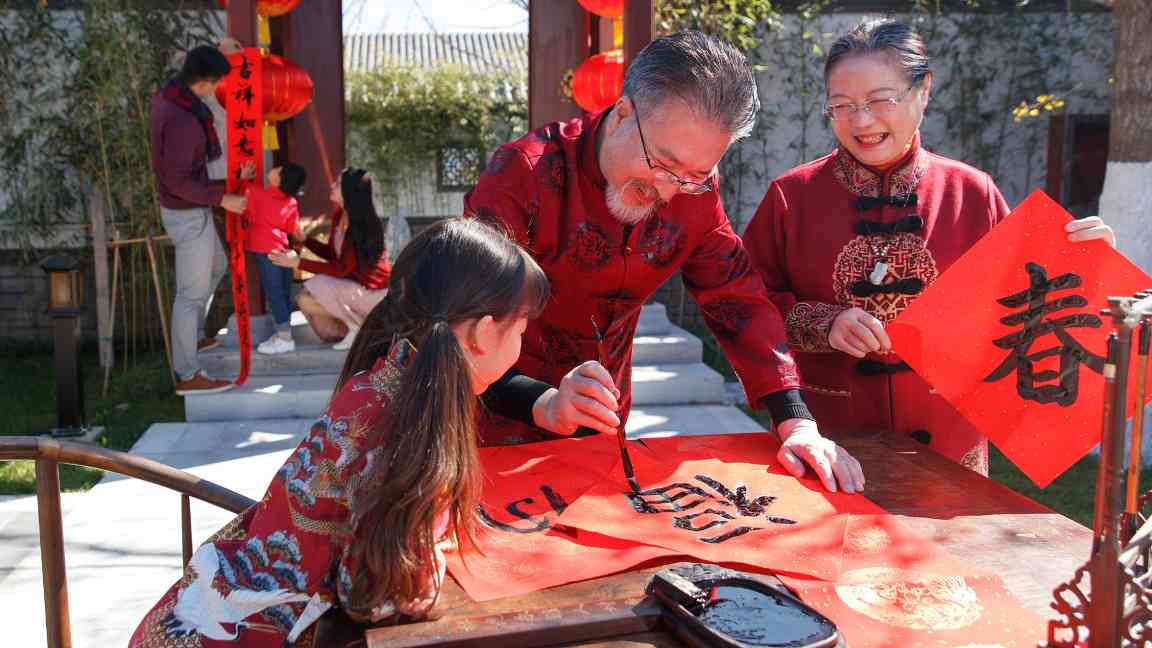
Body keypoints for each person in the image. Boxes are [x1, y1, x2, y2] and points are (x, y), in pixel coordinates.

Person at [467, 30, 864, 494]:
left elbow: (736, 298)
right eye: (661, 163)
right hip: (497, 405)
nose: (669, 189)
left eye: (696, 175)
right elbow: (463, 323)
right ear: (621, 116)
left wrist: (794, 420)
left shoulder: (694, 193)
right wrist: (543, 402)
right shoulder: (522, 174)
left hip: (602, 415)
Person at [128, 218, 550, 647]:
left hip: (188, 617)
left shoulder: (379, 382)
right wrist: (433, 564)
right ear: (481, 332)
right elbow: (378, 595)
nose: (522, 340)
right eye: (520, 329)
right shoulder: (417, 438)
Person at [742, 19, 1115, 474]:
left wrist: (1087, 267)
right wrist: (824, 322)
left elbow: (1031, 311)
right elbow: (743, 306)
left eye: (881, 100)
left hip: (951, 444)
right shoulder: (791, 197)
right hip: (829, 442)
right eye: (841, 105)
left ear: (924, 91)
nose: (861, 121)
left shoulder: (972, 193)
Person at [151, 45, 248, 395]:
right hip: (186, 211)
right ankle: (188, 374)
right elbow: (177, 179)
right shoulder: (182, 119)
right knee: (190, 296)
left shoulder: (173, 94)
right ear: (205, 82)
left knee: (217, 266)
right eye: (216, 82)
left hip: (188, 207)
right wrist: (224, 198)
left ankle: (190, 337)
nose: (217, 88)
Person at [270, 168, 390, 352]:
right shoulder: (339, 216)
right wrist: (305, 241)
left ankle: (358, 329)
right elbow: (333, 255)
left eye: (337, 184)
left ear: (349, 191)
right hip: (353, 288)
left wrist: (298, 263)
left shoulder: (364, 225)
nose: (332, 186)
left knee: (317, 284)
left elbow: (341, 269)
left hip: (374, 295)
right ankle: (355, 331)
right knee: (303, 298)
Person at [247, 163, 307, 355]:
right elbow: (293, 229)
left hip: (266, 251)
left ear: (279, 179)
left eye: (278, 170)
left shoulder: (258, 194)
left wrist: (244, 178)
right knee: (283, 291)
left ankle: (284, 338)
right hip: (283, 251)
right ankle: (283, 332)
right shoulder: (291, 202)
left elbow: (243, 204)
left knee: (274, 293)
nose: (273, 169)